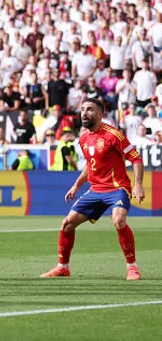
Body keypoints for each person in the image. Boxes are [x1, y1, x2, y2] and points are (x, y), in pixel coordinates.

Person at [41, 98, 145, 280]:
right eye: (82, 109)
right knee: (67, 224)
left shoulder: (114, 135)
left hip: (117, 188)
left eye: (89, 109)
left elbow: (136, 158)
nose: (84, 113)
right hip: (96, 190)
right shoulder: (83, 139)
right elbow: (90, 165)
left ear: (99, 114)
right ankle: (62, 267)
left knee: (119, 220)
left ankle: (132, 268)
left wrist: (138, 184)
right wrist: (76, 185)